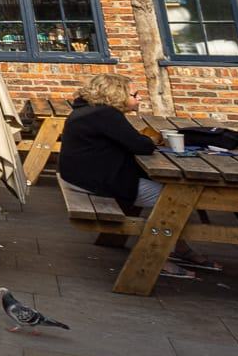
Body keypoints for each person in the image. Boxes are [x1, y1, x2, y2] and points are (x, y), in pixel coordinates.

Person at [61, 71, 218, 280]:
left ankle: (179, 249)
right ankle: (155, 257)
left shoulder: (90, 111)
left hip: (81, 176)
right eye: (134, 94)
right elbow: (140, 145)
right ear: (115, 95)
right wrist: (150, 141)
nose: (139, 98)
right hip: (95, 181)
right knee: (177, 200)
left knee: (171, 194)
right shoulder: (104, 115)